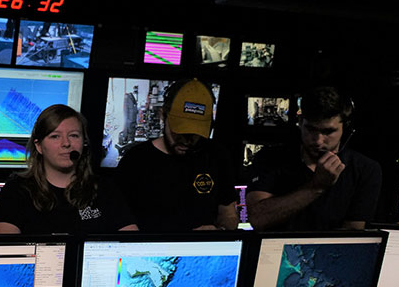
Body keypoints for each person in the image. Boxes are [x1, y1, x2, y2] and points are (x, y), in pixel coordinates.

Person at [246, 86, 382, 230]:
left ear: (346, 128)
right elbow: (258, 219)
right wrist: (317, 186)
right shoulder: (269, 158)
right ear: (300, 121)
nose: (317, 141)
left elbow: (352, 234)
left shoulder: (365, 169)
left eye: (328, 131)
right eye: (311, 129)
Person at [0, 104, 137, 234]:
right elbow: (6, 249)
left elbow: (130, 244)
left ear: (83, 143)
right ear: (39, 146)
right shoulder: (17, 190)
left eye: (74, 135)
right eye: (55, 136)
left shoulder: (104, 189)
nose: (66, 143)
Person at [115, 78, 239, 232]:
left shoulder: (217, 155)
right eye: (179, 131)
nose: (186, 140)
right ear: (163, 116)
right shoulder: (135, 161)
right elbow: (119, 222)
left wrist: (219, 230)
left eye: (194, 134)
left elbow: (229, 214)